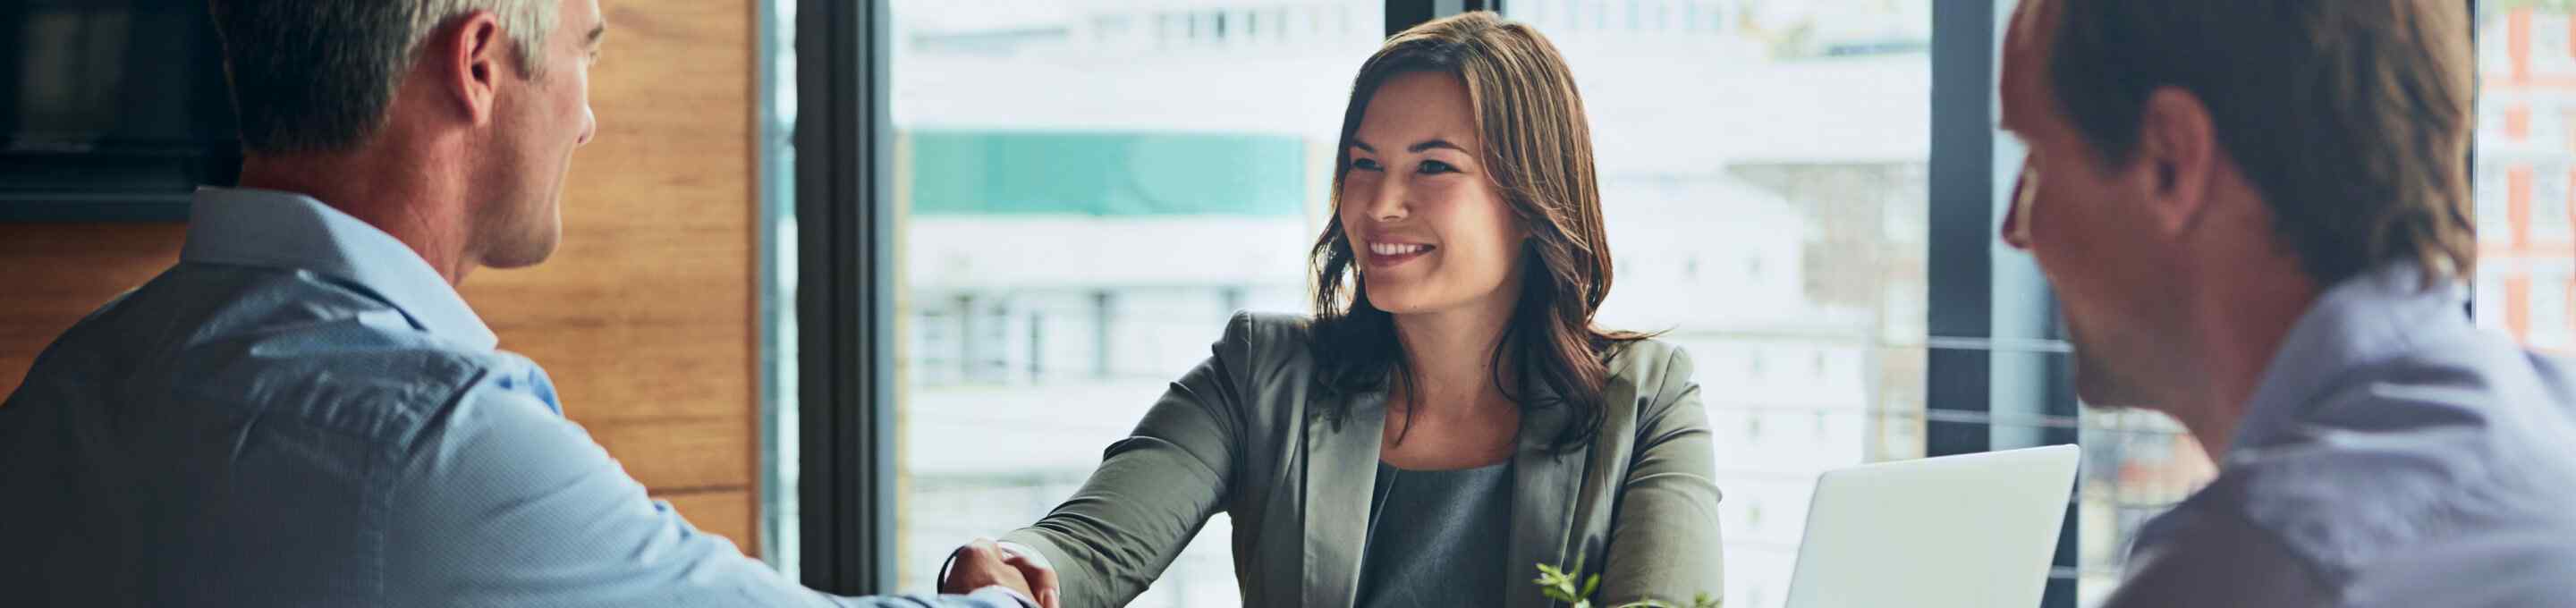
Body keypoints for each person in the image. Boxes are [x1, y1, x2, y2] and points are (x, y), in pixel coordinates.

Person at [0, 1, 1030, 606]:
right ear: (480, 61)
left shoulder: (69, 383)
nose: (587, 116)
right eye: (586, 50)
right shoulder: (430, 445)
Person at [936, 12, 1724, 608]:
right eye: (1363, 164)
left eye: (1433, 167)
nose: (1380, 203)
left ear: (1530, 199)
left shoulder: (1646, 400)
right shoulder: (1261, 375)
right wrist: (1014, 561)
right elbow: (1085, 547)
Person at [1996, 0, 2576, 605]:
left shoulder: (2253, 571)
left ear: (2170, 163)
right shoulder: (2557, 432)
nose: (2015, 228)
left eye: (2037, 161)